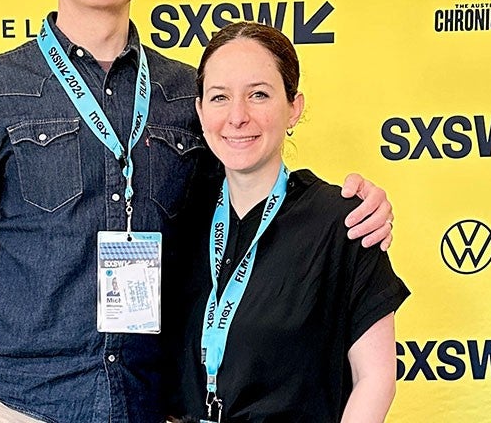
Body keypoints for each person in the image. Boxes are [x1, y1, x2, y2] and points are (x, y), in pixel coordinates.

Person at [0, 0, 395, 423]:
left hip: (144, 403)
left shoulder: (188, 94)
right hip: (15, 405)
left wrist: (356, 209)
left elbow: (252, 205)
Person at [169, 22, 410, 423]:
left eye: (258, 95)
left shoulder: (343, 221)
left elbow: (377, 377)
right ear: (199, 110)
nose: (237, 116)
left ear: (293, 107)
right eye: (219, 97)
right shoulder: (180, 220)